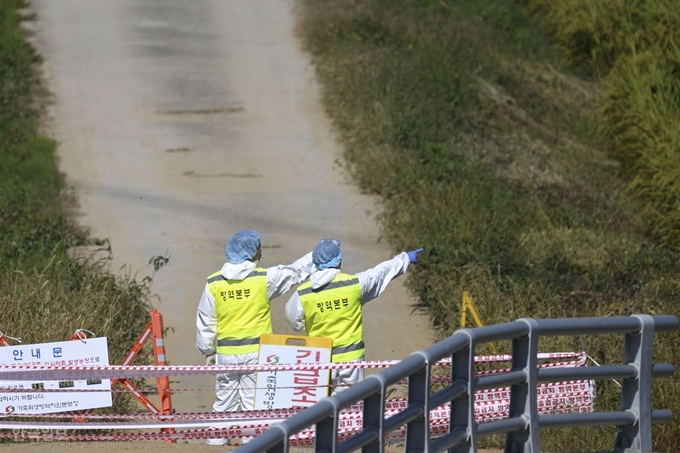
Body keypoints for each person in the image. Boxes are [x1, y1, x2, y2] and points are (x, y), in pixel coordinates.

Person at [195, 230, 314, 445]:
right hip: (257, 354)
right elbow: (294, 272)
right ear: (251, 254)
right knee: (253, 406)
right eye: (259, 248)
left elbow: (206, 320)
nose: (262, 253)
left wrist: (208, 351)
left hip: (227, 354)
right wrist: (318, 256)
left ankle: (215, 447)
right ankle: (252, 447)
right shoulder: (264, 279)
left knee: (223, 404)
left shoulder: (213, 283)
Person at [284, 239, 423, 395]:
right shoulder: (354, 284)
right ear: (339, 260)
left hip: (319, 358)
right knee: (350, 408)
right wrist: (404, 259)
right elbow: (379, 274)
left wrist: (310, 324)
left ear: (315, 263)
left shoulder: (303, 293)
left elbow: (293, 319)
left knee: (320, 409)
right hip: (351, 360)